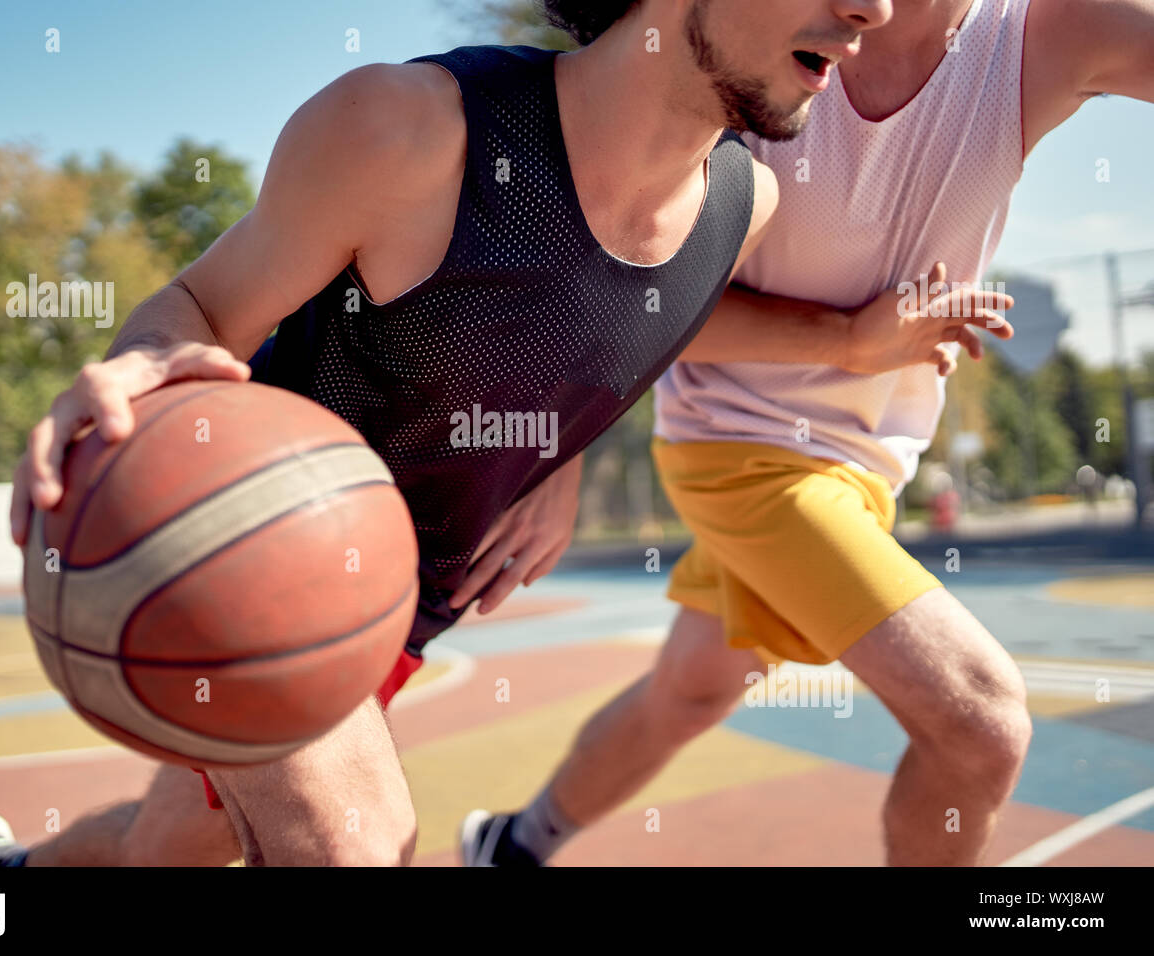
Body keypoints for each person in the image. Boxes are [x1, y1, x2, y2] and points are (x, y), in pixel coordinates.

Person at [0, 0, 895, 867]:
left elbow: (618, 317)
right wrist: (145, 357)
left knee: (179, 842)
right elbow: (201, 303)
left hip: (411, 602)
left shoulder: (742, 207)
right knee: (358, 846)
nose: (874, 10)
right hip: (257, 554)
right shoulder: (410, 130)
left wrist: (559, 459)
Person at [462, 0, 1154, 867]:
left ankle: (510, 845)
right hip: (735, 448)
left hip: (865, 466)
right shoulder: (755, 38)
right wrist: (848, 345)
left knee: (687, 693)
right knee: (980, 723)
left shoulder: (1049, 37)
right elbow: (635, 288)